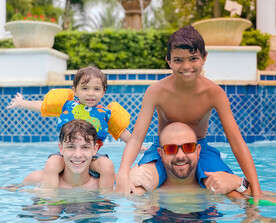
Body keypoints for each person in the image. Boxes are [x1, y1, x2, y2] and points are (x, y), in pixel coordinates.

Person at [116, 25, 262, 197]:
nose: (186, 66)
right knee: (135, 188)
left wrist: (257, 191)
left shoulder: (214, 93)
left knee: (237, 194)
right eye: (178, 60)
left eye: (193, 58)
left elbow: (237, 142)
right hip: (164, 150)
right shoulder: (156, 91)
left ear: (204, 58)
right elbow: (136, 139)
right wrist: (123, 173)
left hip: (199, 149)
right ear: (168, 61)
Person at [7, 66, 147, 190]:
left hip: (91, 155)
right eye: (85, 88)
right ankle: (49, 197)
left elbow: (121, 131)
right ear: (75, 90)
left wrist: (137, 146)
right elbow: (43, 107)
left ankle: (105, 199)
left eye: (96, 89)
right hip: (69, 153)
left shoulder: (106, 113)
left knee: (107, 165)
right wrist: (22, 103)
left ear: (104, 92)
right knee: (52, 162)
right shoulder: (67, 106)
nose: (91, 93)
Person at [23, 119, 101, 190]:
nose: (78, 155)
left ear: (95, 149)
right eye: (71, 147)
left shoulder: (104, 184)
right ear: (61, 148)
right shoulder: (36, 180)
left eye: (85, 147)